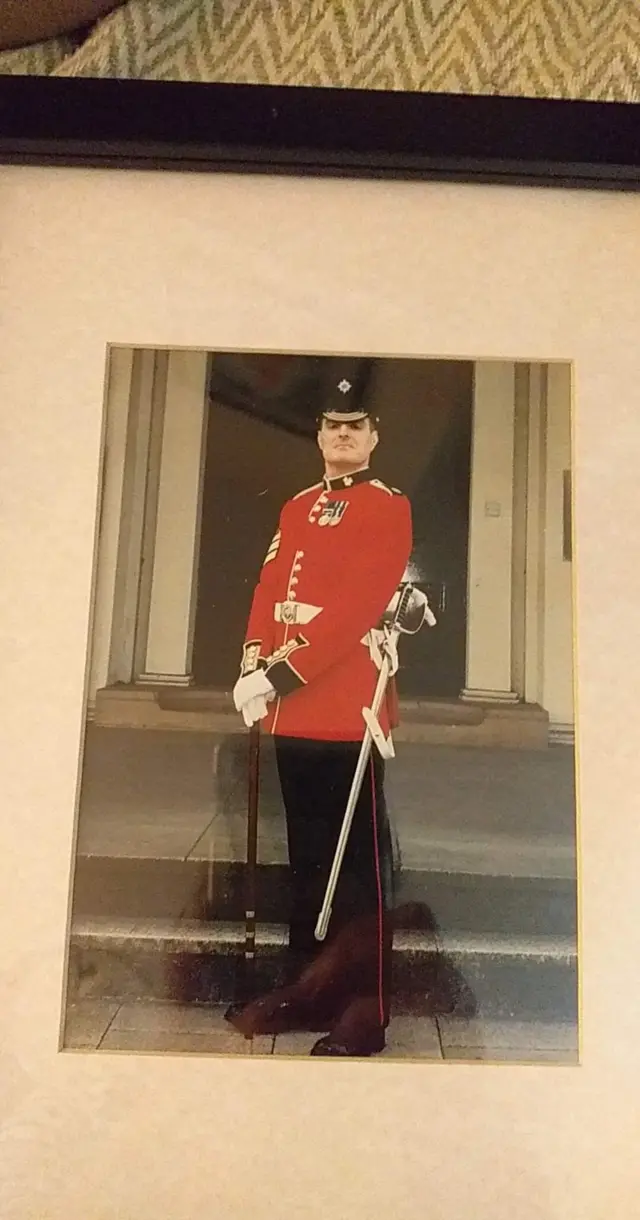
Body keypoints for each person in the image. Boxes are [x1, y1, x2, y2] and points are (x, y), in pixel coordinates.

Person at [230, 377, 414, 1056]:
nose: (342, 437)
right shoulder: (297, 505)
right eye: (331, 427)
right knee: (309, 859)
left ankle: (363, 1015)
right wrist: (253, 664)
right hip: (290, 708)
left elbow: (357, 607)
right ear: (318, 437)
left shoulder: (387, 506)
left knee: (355, 869)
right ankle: (308, 994)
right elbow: (269, 587)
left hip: (345, 706)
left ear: (371, 439)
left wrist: (279, 673)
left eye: (354, 427)